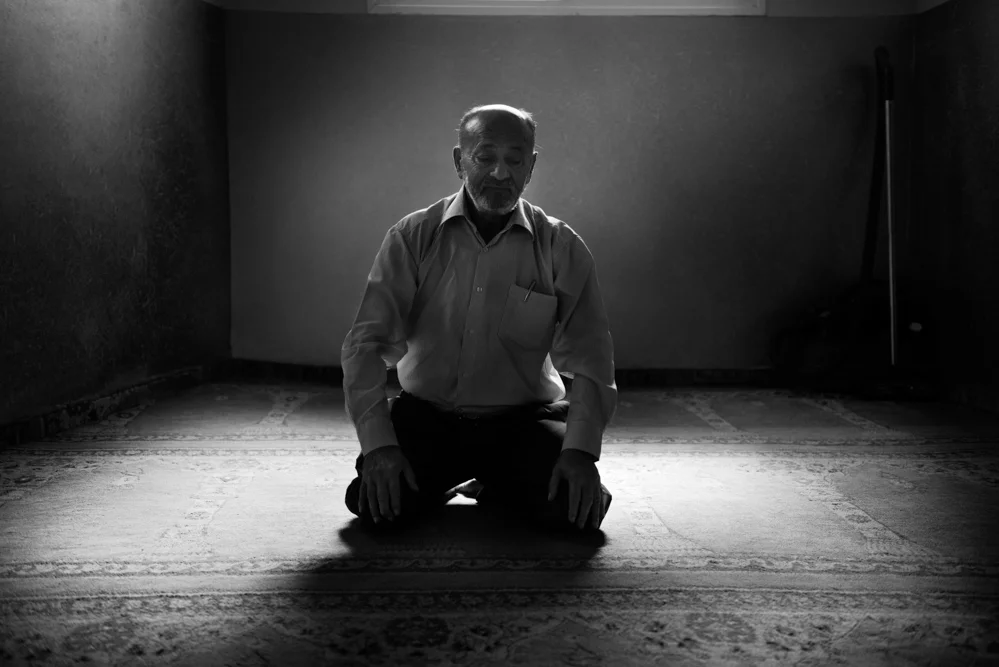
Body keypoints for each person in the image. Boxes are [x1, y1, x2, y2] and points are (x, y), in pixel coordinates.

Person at [341, 103, 617, 532]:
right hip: (428, 418)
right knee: (376, 507)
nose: (500, 173)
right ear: (459, 161)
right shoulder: (412, 237)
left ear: (531, 166)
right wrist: (379, 447)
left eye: (515, 160)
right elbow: (366, 346)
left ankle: (494, 482)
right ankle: (482, 484)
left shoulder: (561, 246)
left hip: (524, 422)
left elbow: (592, 357)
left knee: (576, 511)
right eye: (484, 157)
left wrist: (580, 453)